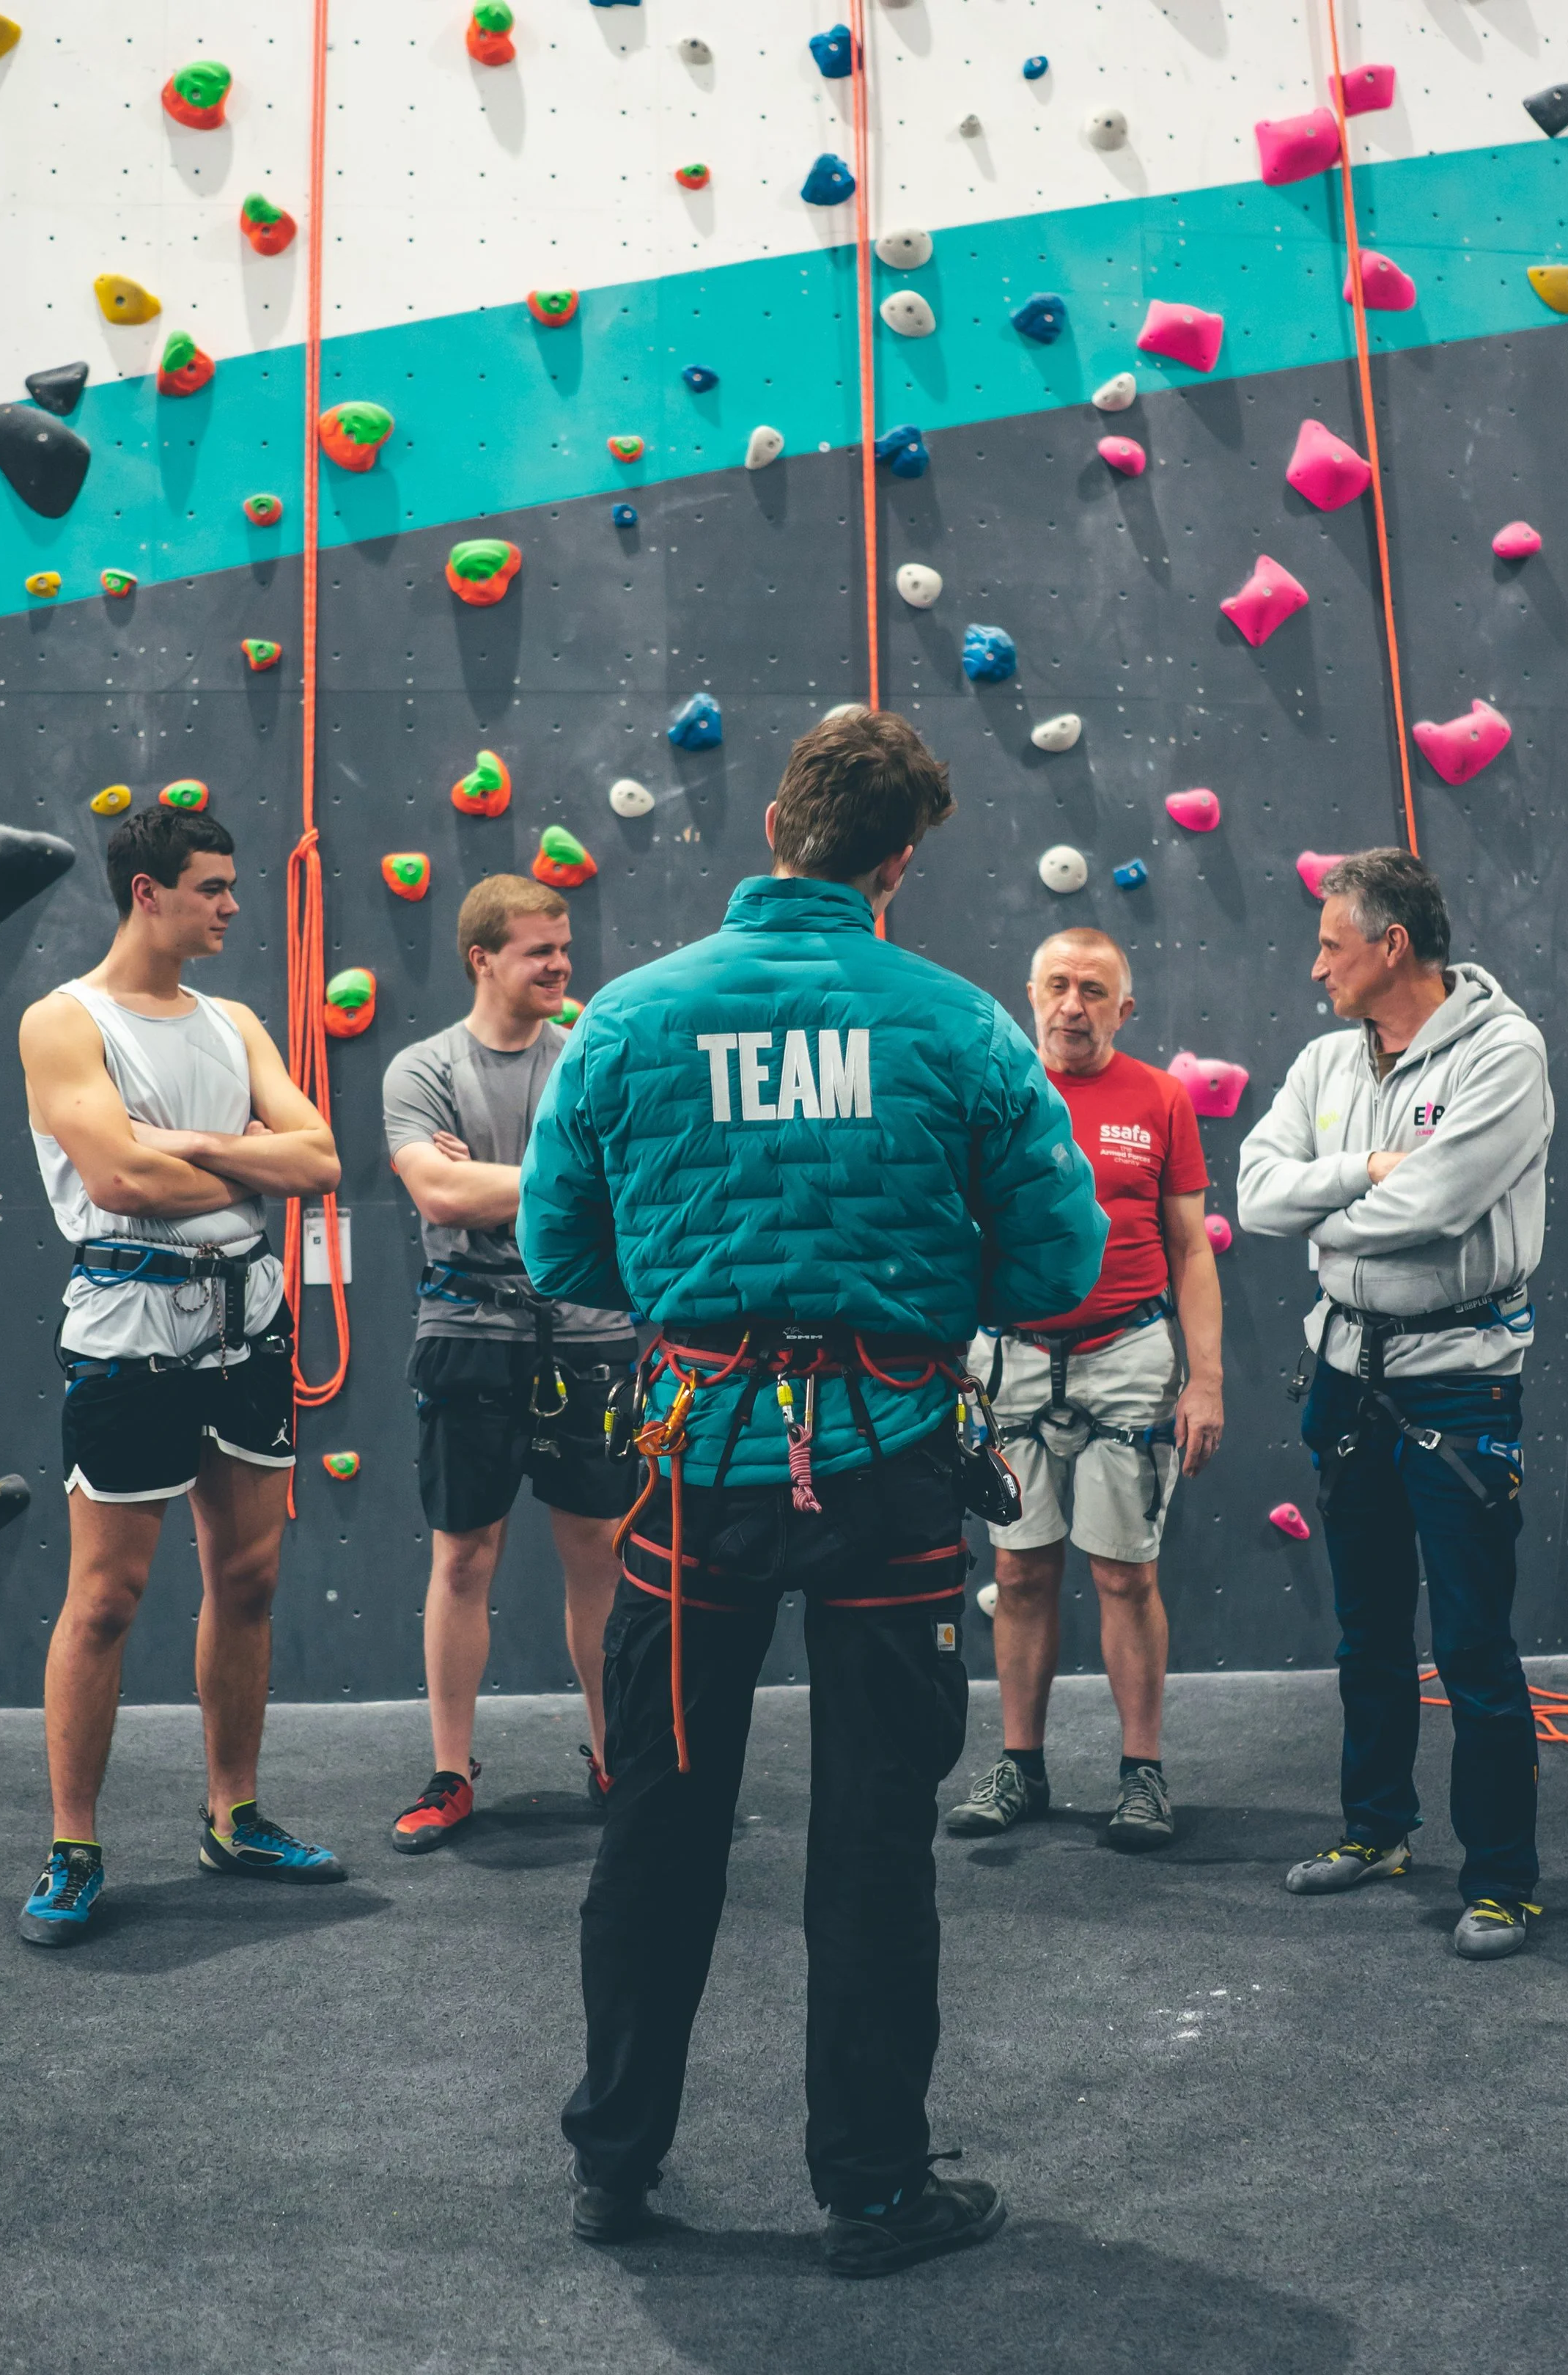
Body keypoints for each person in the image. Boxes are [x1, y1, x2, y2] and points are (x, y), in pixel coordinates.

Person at [518, 709, 1107, 2276]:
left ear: (773, 824)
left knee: (657, 1818)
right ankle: (867, 2187)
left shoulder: (630, 1022)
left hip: (692, 1467)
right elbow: (1059, 1264)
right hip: (887, 1469)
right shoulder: (961, 1026)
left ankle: (614, 2164)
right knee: (868, 1836)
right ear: (897, 861)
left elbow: (559, 1254)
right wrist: (910, 1284)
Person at [15, 803, 348, 1948]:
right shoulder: (65, 1023)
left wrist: (196, 1149)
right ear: (146, 892)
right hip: (129, 1329)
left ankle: (234, 1814)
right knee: (105, 1598)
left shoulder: (236, 1020)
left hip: (245, 1326)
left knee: (248, 1579)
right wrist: (240, 1165)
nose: (232, 904)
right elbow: (118, 1180)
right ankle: (73, 1845)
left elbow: (322, 1158)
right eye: (211, 886)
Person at [1236, 848, 1553, 1961]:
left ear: (1392, 947)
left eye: (1331, 943)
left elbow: (1438, 1205)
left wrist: (1334, 1203)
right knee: (1368, 1628)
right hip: (1349, 1379)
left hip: (1460, 1382)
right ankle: (1378, 1829)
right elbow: (1256, 1188)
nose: (1315, 962)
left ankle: (1504, 1880)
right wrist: (1362, 1174)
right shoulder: (1328, 1061)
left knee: (1471, 1640)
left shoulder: (1504, 1055)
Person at [946, 928, 1224, 1849]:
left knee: (1123, 1575)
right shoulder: (988, 1095)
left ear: (1124, 1007)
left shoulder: (1161, 1099)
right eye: (1059, 985)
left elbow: (1191, 1248)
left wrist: (1205, 1379)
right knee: (1020, 1572)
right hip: (1009, 1359)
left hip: (1128, 1356)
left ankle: (1141, 1776)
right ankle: (1019, 1768)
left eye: (1094, 990)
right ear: (1029, 992)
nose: (1074, 1004)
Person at [381, 875, 638, 1850]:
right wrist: (559, 1182)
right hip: (467, 1338)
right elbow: (440, 1195)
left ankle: (617, 1753)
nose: (561, 966)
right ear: (483, 956)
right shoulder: (422, 1068)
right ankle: (451, 1772)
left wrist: (499, 1184)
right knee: (462, 1556)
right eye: (540, 950)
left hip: (587, 1336)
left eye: (564, 948)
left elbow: (628, 1189)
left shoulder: (590, 1064)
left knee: (601, 1557)